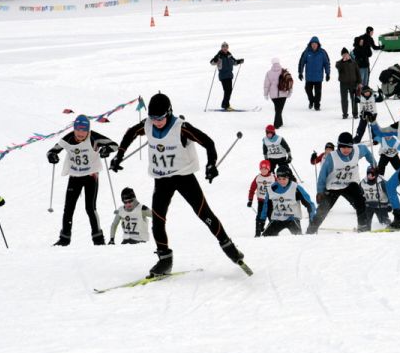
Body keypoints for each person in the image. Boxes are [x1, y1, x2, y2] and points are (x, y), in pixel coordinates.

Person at [109, 93, 248, 277]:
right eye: (153, 118)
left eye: (160, 118)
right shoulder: (148, 125)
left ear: (169, 112)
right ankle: (164, 260)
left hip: (184, 178)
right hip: (161, 180)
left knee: (204, 214)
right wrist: (119, 154)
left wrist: (211, 164)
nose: (156, 122)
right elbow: (130, 133)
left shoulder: (181, 128)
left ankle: (230, 249)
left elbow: (208, 143)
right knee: (158, 221)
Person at [47, 114, 117, 246]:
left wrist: (106, 150)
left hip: (91, 176)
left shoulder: (94, 137)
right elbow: (52, 151)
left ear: (88, 130)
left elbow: (114, 145)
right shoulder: (68, 138)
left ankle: (98, 240)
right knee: (68, 208)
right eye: (77, 129)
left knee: (90, 208)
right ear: (74, 129)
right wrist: (52, 156)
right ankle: (64, 239)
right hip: (75, 176)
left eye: (83, 130)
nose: (80, 133)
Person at [307, 132, 376, 234]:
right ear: (338, 146)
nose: (346, 150)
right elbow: (322, 176)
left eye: (348, 147)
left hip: (350, 184)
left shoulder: (357, 150)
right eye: (343, 147)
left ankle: (363, 227)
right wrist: (320, 192)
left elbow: (366, 151)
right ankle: (310, 231)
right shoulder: (332, 157)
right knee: (323, 210)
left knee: (360, 202)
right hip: (333, 186)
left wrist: (374, 165)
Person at [260, 165, 316, 236]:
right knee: (265, 237)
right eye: (279, 179)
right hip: (277, 219)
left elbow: (310, 204)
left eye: (284, 179)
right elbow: (266, 205)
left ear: (289, 177)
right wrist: (262, 220)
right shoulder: (272, 188)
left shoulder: (296, 188)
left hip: (293, 219)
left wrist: (312, 219)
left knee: (298, 238)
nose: (281, 181)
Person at [298, 36, 330, 110]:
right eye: (312, 44)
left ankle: (317, 105)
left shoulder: (322, 52)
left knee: (318, 93)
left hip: (318, 77)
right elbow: (301, 62)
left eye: (315, 43)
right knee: (308, 90)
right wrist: (300, 72)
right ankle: (311, 101)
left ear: (318, 44)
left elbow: (326, 63)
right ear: (310, 44)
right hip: (309, 77)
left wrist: (327, 73)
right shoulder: (306, 52)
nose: (314, 45)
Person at [209, 42, 243, 111]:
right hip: (223, 75)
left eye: (226, 47)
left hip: (229, 75)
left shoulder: (229, 54)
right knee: (227, 90)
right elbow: (212, 62)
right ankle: (226, 105)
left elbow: (234, 62)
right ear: (221, 48)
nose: (225, 49)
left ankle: (225, 104)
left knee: (229, 90)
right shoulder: (219, 55)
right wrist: (215, 60)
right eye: (223, 47)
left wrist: (239, 61)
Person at [247, 160, 275, 237]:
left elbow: (278, 187)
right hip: (261, 201)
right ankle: (258, 232)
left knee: (271, 216)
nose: (263, 170)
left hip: (270, 201)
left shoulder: (272, 177)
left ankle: (273, 232)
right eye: (261, 169)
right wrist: (250, 200)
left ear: (269, 169)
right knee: (259, 216)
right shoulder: (258, 178)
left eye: (265, 169)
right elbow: (252, 189)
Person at [263, 58, 293, 129]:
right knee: (279, 109)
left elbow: (266, 85)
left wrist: (265, 94)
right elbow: (290, 82)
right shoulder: (284, 71)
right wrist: (290, 92)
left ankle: (278, 123)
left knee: (278, 109)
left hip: (273, 96)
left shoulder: (269, 73)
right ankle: (277, 123)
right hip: (283, 94)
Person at [335, 47, 361, 120]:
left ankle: (355, 113)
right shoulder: (339, 63)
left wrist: (359, 82)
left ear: (349, 55)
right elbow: (338, 67)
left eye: (346, 54)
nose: (345, 56)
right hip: (343, 84)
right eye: (343, 55)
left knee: (354, 99)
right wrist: (343, 61)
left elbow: (358, 73)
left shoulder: (354, 62)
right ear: (342, 56)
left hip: (353, 83)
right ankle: (345, 114)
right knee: (344, 99)